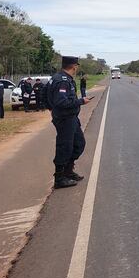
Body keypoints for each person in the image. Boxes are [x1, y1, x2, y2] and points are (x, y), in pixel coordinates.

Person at [49, 56, 94, 189]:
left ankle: (68, 171)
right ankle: (59, 178)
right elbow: (61, 102)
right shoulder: (62, 80)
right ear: (74, 66)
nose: (77, 68)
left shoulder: (60, 78)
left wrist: (51, 108)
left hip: (71, 117)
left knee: (79, 144)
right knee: (64, 147)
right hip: (65, 119)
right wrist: (81, 101)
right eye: (76, 66)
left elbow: (45, 95)